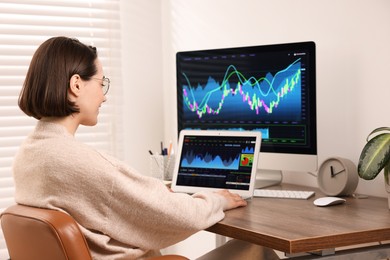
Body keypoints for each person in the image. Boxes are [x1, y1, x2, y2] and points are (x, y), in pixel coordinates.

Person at [13, 36, 248, 259]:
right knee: (253, 251)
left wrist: (153, 191)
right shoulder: (80, 163)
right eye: (101, 83)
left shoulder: (27, 156)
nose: (104, 97)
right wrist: (216, 200)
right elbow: (179, 216)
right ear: (76, 84)